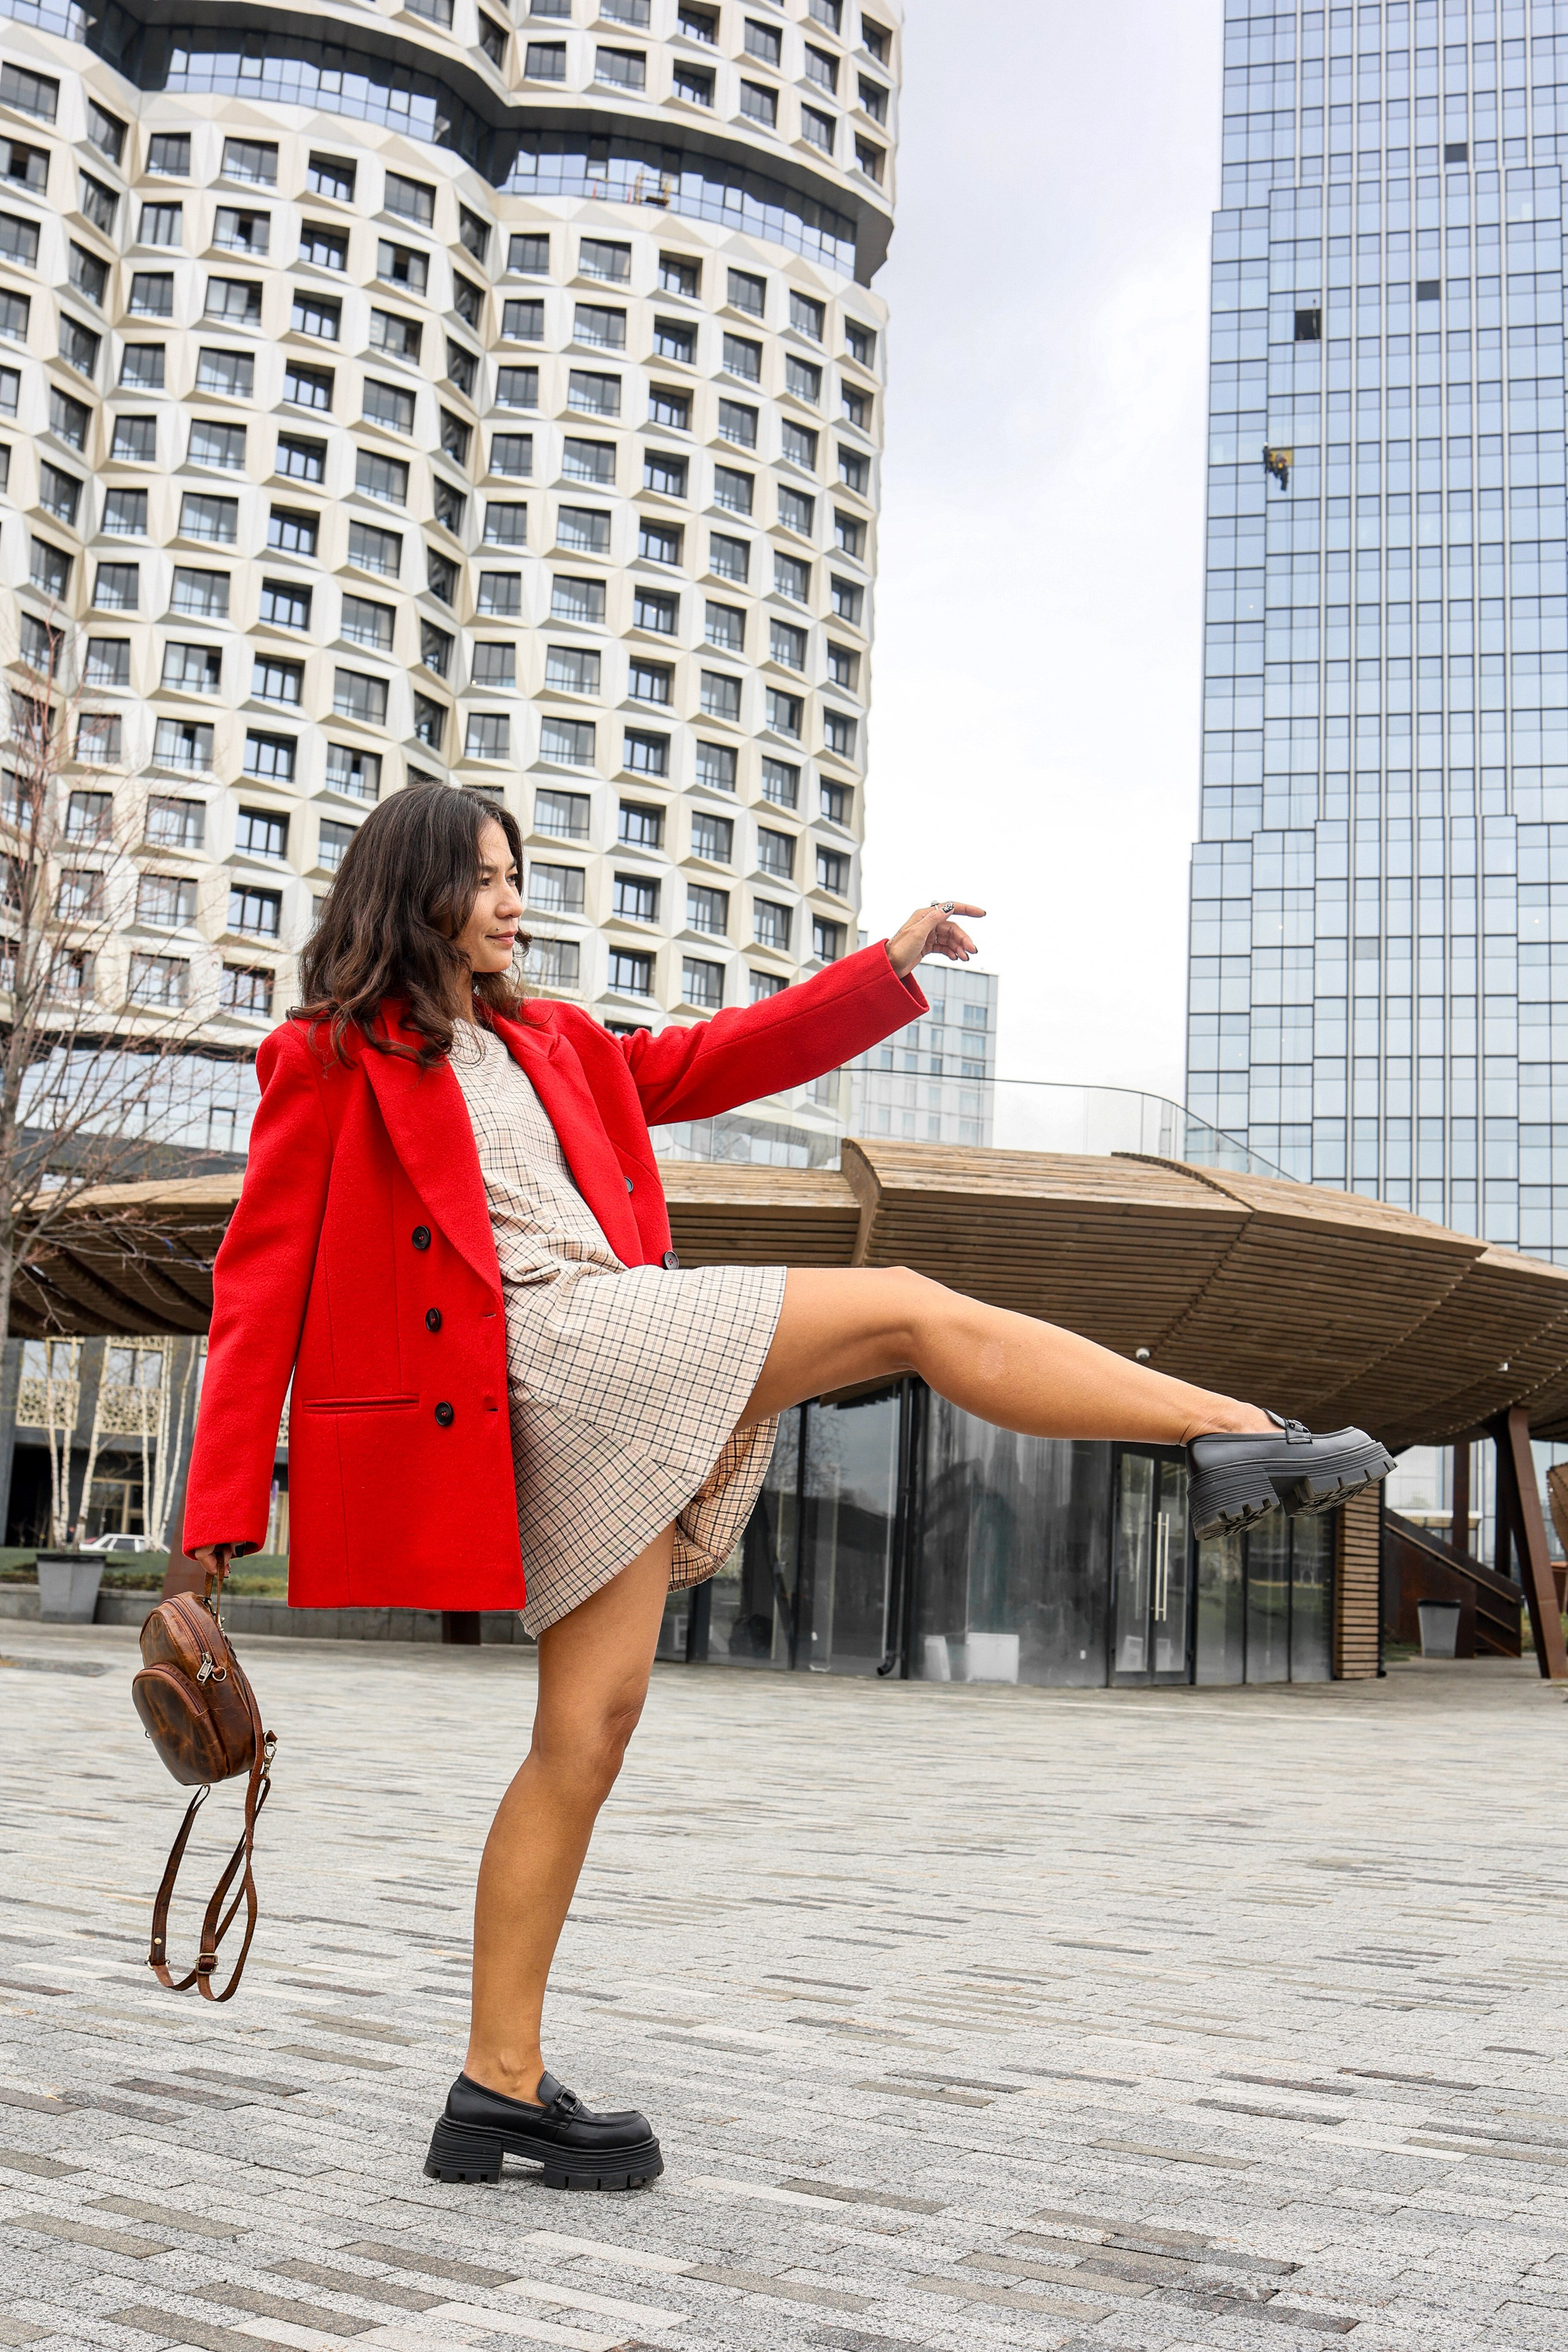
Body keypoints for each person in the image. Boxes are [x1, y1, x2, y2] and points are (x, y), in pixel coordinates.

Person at [184, 783, 1392, 2192]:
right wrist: (213, 1533)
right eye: (489, 880)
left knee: (587, 1736)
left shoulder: (550, 1041)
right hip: (548, 1352)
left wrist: (884, 968)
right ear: (418, 895)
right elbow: (257, 1285)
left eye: (516, 876)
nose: (514, 903)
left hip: (595, 1375)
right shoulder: (327, 1061)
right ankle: (1230, 1430)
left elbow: (717, 1058)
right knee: (906, 1309)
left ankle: (492, 2087)